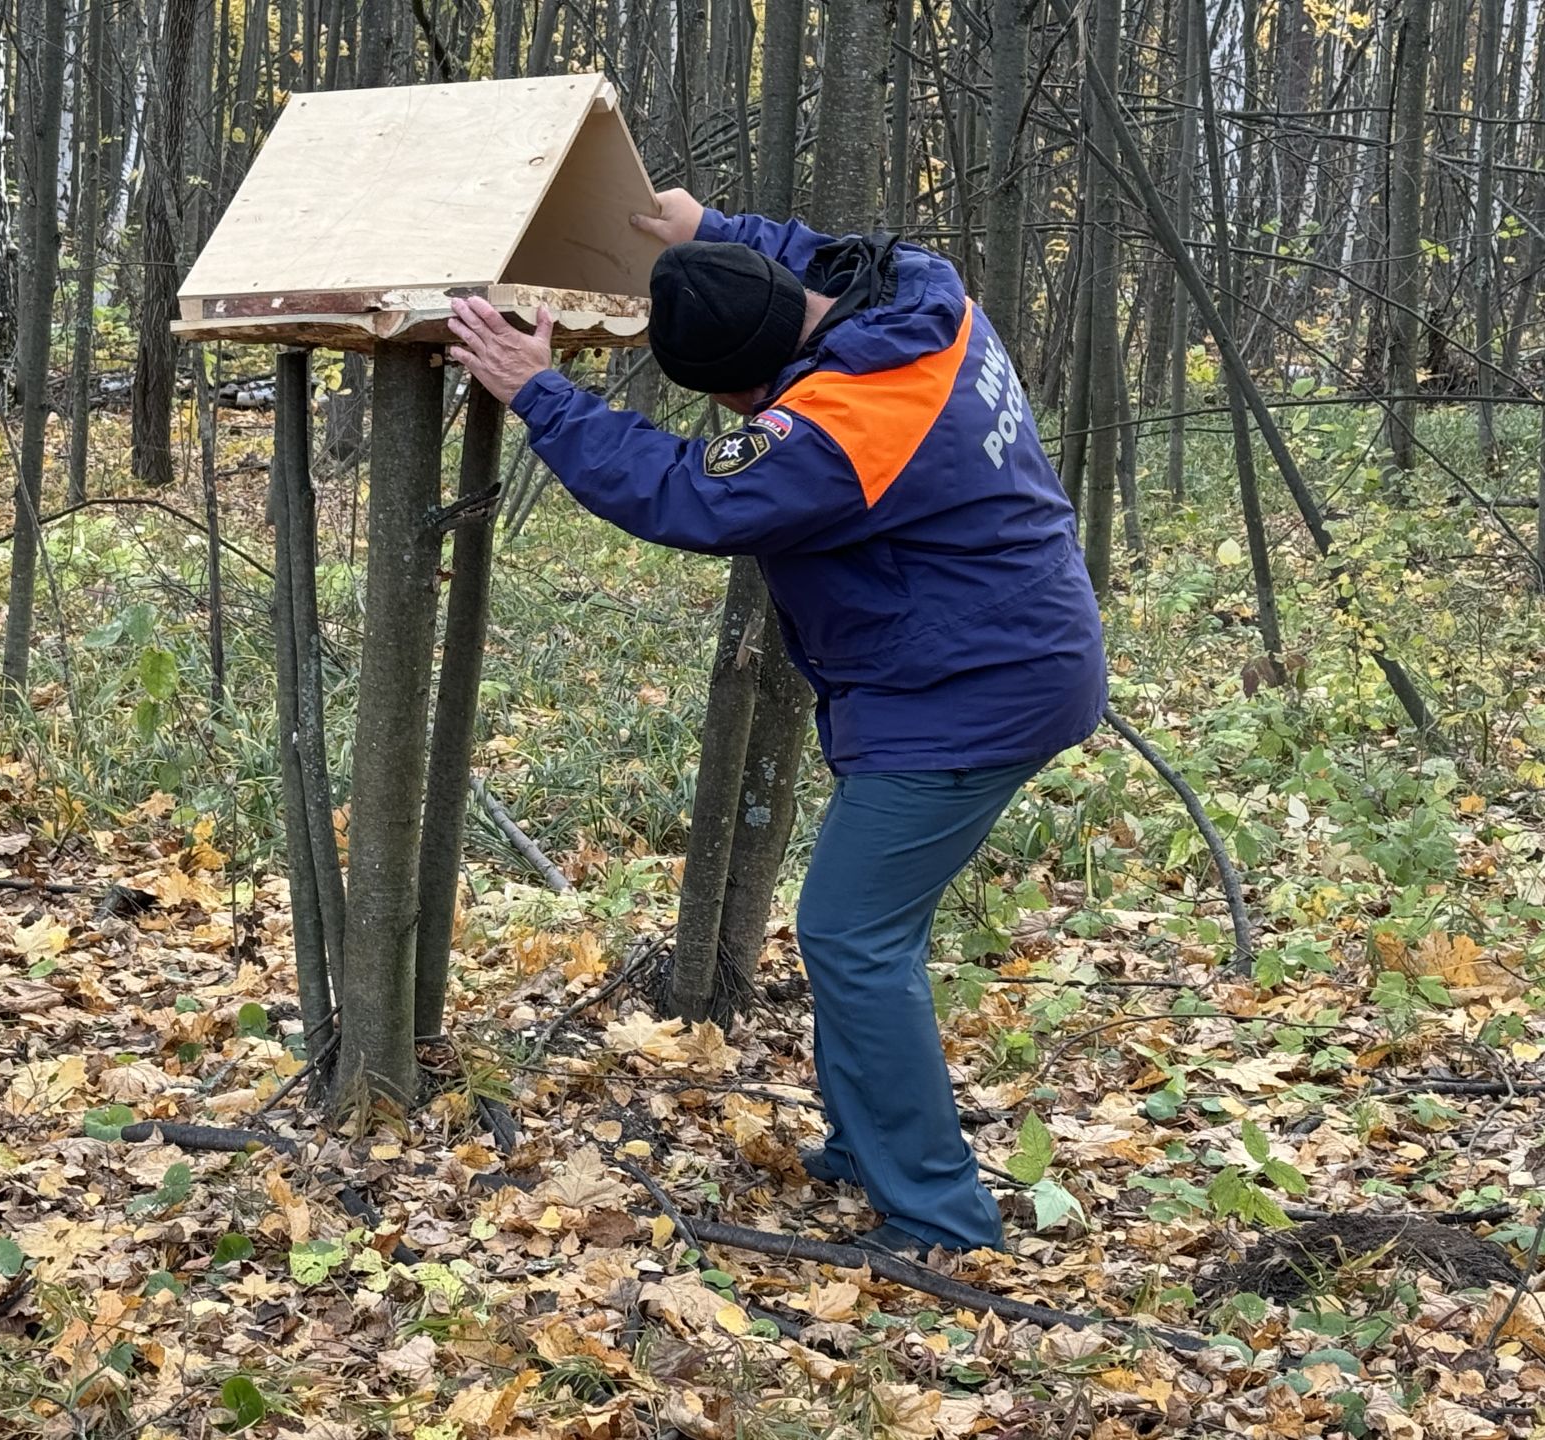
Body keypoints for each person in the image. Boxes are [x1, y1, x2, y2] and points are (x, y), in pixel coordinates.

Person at [446, 189, 1107, 1259]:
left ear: (750, 394)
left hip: (978, 691)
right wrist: (707, 228)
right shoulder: (917, 298)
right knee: (860, 933)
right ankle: (865, 1146)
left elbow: (689, 494)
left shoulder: (836, 432)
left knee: (851, 934)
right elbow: (825, 251)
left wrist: (542, 394)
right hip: (984, 656)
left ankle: (939, 1218)